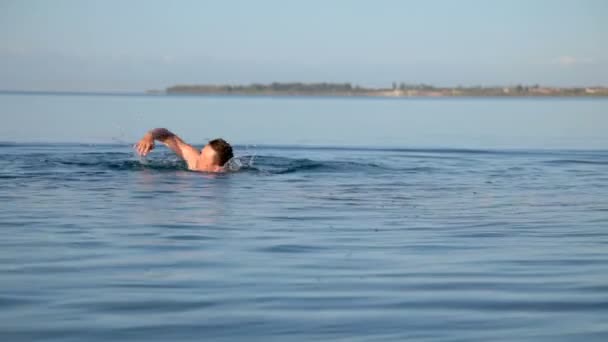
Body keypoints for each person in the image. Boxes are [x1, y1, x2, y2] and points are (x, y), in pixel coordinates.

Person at [135, 128, 233, 172]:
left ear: (217, 168)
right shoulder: (194, 158)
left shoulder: (222, 174)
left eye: (204, 158)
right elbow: (167, 134)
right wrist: (150, 136)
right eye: (201, 153)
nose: (198, 157)